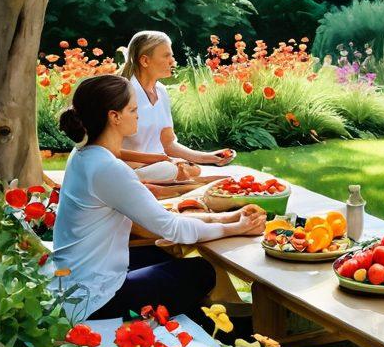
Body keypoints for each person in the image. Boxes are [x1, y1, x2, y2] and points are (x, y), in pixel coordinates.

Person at [52, 74, 266, 321]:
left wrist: (229, 217)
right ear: (114, 116)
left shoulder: (82, 154)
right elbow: (171, 227)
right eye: (133, 109)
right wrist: (236, 228)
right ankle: (212, 325)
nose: (138, 115)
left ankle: (205, 315)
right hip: (94, 299)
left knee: (166, 254)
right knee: (202, 271)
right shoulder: (107, 169)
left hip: (74, 279)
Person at [118, 30, 235, 183]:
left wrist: (208, 157)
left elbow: (168, 144)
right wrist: (160, 161)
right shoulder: (122, 92)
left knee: (193, 169)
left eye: (171, 56)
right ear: (145, 61)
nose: (172, 61)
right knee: (174, 170)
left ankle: (174, 178)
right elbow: (106, 149)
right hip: (127, 168)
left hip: (158, 167)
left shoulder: (161, 91)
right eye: (166, 56)